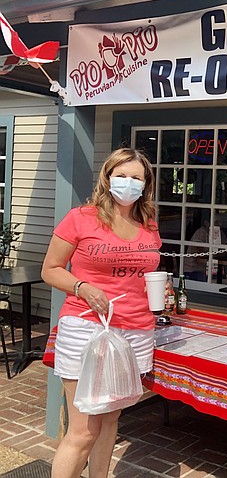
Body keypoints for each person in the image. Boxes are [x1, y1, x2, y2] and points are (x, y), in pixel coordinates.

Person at [42, 148, 161, 478]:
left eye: (136, 177)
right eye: (120, 175)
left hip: (135, 330)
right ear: (107, 178)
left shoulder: (148, 224)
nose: (128, 182)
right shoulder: (80, 217)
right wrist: (82, 287)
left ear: (145, 184)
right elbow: (50, 269)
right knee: (83, 431)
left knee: (110, 421)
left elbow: (144, 274)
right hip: (86, 326)